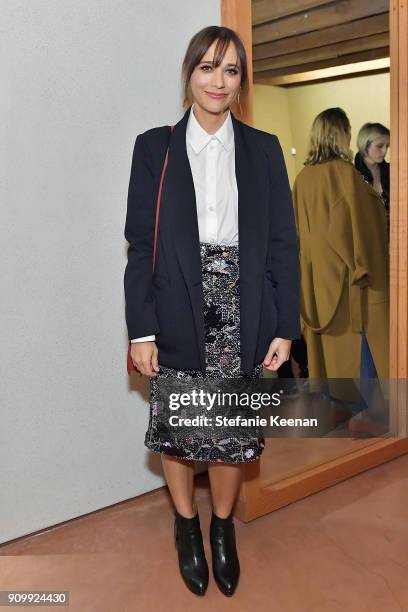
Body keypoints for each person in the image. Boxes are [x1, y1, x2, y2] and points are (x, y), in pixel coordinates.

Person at [124, 26, 300, 597]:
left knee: (230, 432)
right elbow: (141, 246)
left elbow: (281, 245)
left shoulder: (264, 148)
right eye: (207, 67)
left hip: (245, 307)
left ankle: (221, 528)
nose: (218, 81)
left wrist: (285, 324)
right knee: (181, 431)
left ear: (242, 81)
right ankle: (185, 525)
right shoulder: (156, 148)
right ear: (189, 73)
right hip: (175, 303)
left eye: (230, 70)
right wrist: (141, 328)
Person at [292, 108, 389, 398]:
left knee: (335, 360)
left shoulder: (303, 180)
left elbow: (300, 237)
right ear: (341, 133)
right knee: (364, 355)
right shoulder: (346, 176)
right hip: (353, 287)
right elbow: (361, 234)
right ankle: (372, 416)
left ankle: (345, 407)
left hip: (320, 287)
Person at [354, 122, 390, 238]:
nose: (384, 151)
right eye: (380, 146)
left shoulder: (393, 171)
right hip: (366, 239)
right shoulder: (352, 174)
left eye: (387, 146)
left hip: (393, 239)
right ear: (365, 146)